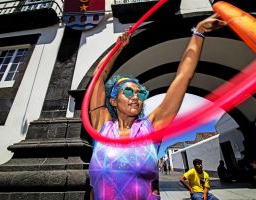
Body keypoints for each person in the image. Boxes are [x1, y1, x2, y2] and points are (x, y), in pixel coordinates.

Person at [88, 14, 226, 200]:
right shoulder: (102, 125)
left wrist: (199, 32)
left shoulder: (151, 128)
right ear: (113, 101)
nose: (135, 97)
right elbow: (97, 77)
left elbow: (183, 77)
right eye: (128, 92)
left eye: (140, 94)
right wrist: (118, 48)